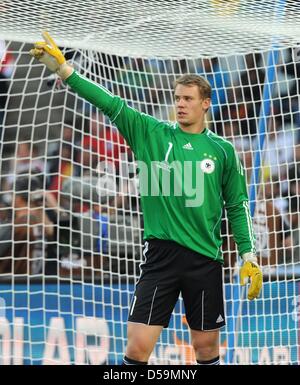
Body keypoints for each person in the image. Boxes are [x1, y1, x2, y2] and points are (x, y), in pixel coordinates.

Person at [29, 32, 263, 366]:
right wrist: (65, 72)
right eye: (177, 98)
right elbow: (109, 102)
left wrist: (248, 255)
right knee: (138, 348)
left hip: (205, 260)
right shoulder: (150, 132)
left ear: (205, 103)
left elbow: (237, 207)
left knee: (207, 350)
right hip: (160, 256)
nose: (180, 104)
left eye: (188, 99)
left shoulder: (223, 151)